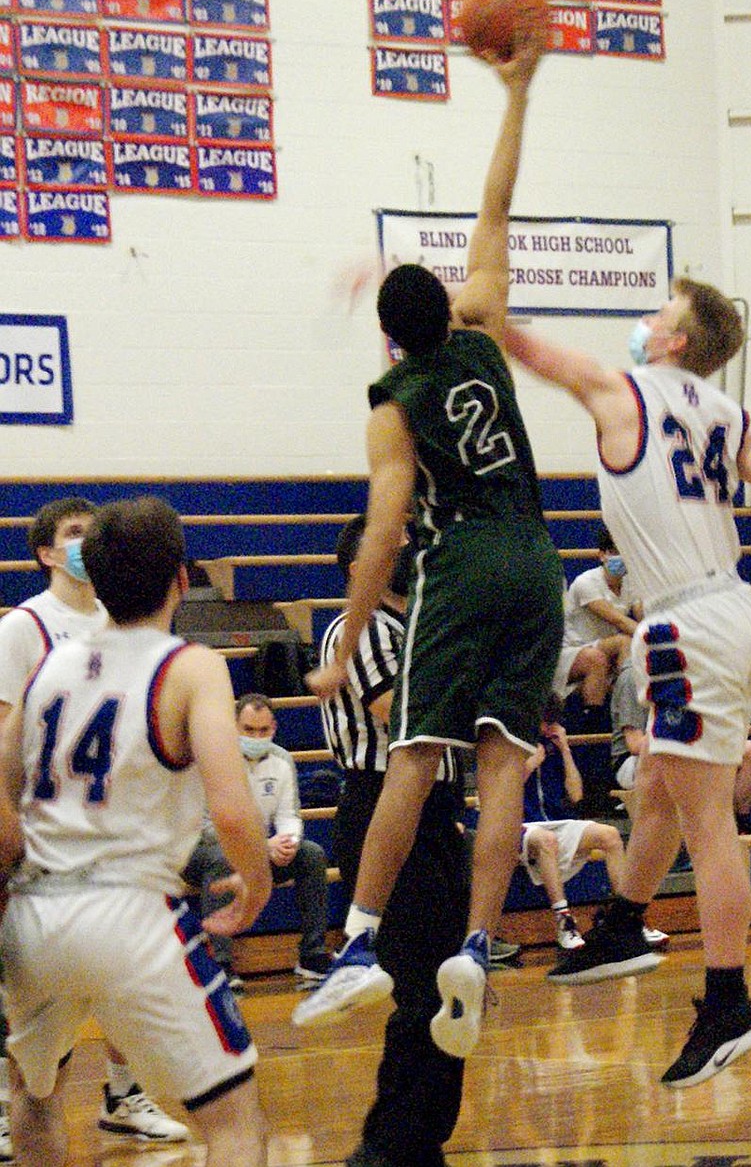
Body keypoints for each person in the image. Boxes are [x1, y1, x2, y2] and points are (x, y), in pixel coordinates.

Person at [500, 277, 751, 1087]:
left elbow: (528, 349)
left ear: (676, 341)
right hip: (736, 613)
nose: (642, 326)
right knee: (662, 792)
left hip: (685, 622)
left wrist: (472, 315)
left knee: (706, 818)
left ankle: (728, 1000)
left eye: (656, 316)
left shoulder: (625, 388)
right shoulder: (724, 414)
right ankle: (622, 925)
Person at [294, 23, 562, 1063]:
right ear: (444, 309)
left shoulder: (393, 400)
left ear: (386, 333)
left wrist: (345, 638)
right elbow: (494, 205)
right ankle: (479, 945)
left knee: (414, 756)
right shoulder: (484, 324)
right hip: (538, 559)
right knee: (503, 767)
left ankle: (357, 943)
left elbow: (384, 533)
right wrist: (516, 92)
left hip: (461, 565)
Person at [0, 497, 272, 1167]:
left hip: (35, 913)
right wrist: (257, 878)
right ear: (183, 579)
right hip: (130, 913)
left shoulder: (48, 667)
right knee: (235, 1120)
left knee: (34, 1099)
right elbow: (232, 809)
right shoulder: (191, 665)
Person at [0, 497, 190, 1153]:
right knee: (33, 1004)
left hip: (119, 828)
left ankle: (124, 1093)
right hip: (42, 837)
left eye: (92, 534)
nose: (85, 543)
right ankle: (10, 1103)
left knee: (121, 974)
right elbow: (4, 738)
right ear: (47, 552)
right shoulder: (24, 626)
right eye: (71, 534)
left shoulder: (124, 621)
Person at [298, 515, 469, 1167]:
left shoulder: (416, 624)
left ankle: (421, 1135)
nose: (412, 544)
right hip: (384, 810)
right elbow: (404, 714)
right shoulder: (359, 626)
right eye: (397, 539)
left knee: (455, 984)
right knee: (422, 986)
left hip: (434, 810)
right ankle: (390, 1141)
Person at [183, 692, 331, 991]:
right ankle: (221, 964)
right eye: (249, 730)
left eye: (263, 731)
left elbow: (289, 813)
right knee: (222, 858)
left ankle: (312, 956)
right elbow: (209, 829)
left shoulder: (282, 760)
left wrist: (287, 843)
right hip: (199, 852)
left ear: (274, 727)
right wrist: (264, 847)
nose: (256, 736)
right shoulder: (211, 760)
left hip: (257, 851)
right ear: (233, 727)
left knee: (311, 854)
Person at [520, 695, 666, 951]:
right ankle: (564, 922)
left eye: (551, 722)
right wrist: (530, 765)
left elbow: (576, 795)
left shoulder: (554, 744)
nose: (547, 728)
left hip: (556, 821)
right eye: (544, 722)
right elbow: (499, 794)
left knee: (610, 835)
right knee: (546, 840)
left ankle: (628, 920)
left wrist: (565, 751)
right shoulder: (515, 743)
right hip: (520, 825)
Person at [611, 662, 751, 833]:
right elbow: (635, 744)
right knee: (686, 761)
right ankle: (700, 828)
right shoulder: (633, 678)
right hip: (635, 760)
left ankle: (737, 824)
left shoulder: (691, 672)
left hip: (685, 745)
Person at [554, 527, 638, 707]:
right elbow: (618, 620)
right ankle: (625, 709)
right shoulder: (586, 582)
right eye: (614, 552)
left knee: (637, 647)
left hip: (602, 647)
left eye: (624, 552)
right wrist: (651, 636)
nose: (620, 558)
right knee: (620, 645)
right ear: (602, 555)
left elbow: (642, 615)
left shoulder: (631, 583)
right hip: (572, 650)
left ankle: (629, 708)